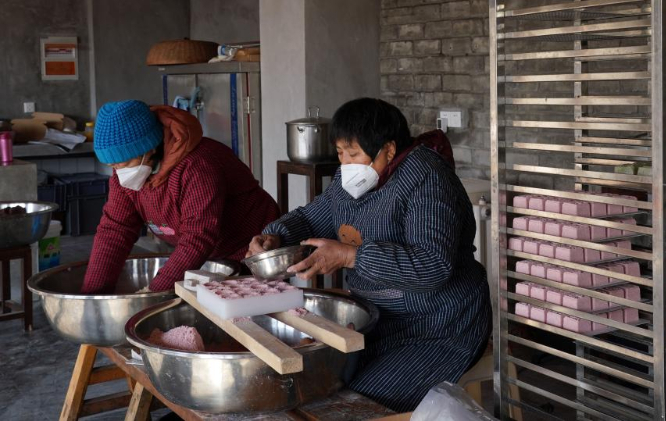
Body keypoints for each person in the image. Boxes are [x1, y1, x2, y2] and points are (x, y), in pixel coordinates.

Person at [247, 98, 491, 412]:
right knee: (317, 382)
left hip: (439, 325)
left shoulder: (427, 178)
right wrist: (276, 234)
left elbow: (432, 267)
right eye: (340, 153)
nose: (346, 163)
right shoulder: (351, 179)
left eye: (354, 153)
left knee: (354, 402)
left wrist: (351, 257)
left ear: (388, 150)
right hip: (376, 319)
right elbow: (310, 218)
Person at [81, 100, 280, 293]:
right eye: (111, 165)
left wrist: (153, 292)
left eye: (122, 162)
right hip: (208, 258)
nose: (117, 171)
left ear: (149, 147)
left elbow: (198, 236)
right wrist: (92, 295)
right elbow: (115, 229)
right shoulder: (126, 175)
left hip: (251, 250)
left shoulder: (197, 164)